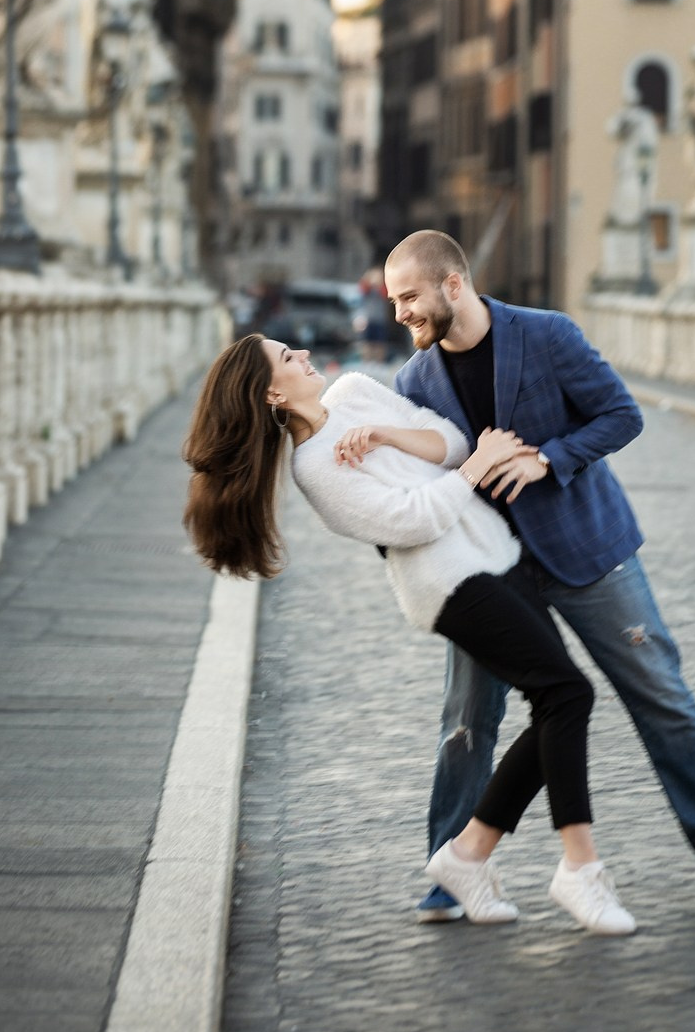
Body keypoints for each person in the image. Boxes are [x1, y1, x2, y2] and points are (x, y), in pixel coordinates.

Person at [384, 229, 695, 921]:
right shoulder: (413, 383)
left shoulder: (547, 335)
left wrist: (549, 458)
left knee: (661, 694)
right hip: (488, 575)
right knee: (466, 720)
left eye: (409, 297)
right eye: (394, 302)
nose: (401, 315)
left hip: (589, 551)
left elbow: (620, 416)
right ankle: (450, 866)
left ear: (453, 284)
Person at [181, 332, 638, 936]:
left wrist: (387, 434)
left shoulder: (355, 391)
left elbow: (449, 441)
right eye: (290, 359)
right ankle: (577, 868)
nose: (307, 356)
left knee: (563, 699)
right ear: (270, 392)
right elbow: (411, 523)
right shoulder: (314, 469)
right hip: (451, 587)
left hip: (498, 555)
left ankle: (469, 856)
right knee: (565, 695)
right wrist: (477, 468)